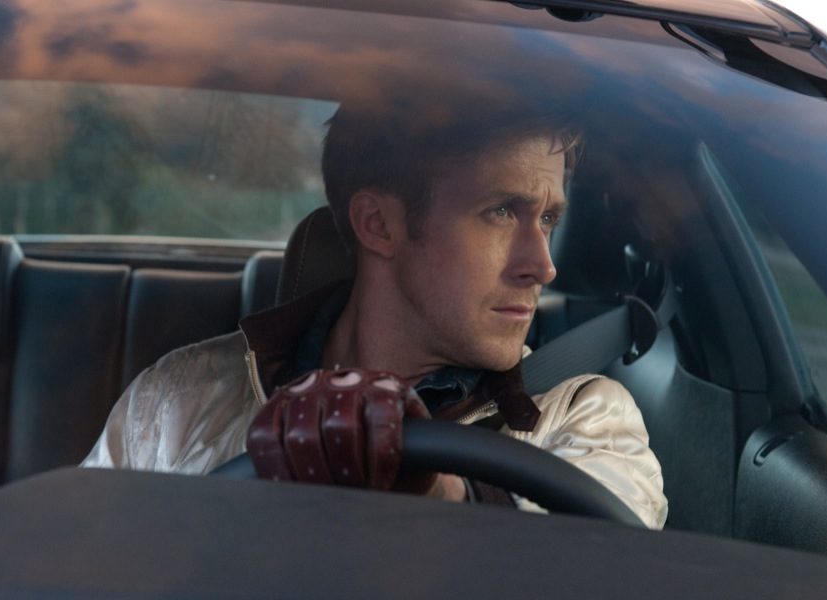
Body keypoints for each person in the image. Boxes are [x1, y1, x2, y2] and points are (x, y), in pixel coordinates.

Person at [82, 104, 668, 529]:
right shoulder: (176, 403)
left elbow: (600, 573)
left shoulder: (587, 420)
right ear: (379, 225)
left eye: (547, 220)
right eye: (500, 212)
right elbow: (77, 566)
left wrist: (440, 498)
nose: (542, 266)